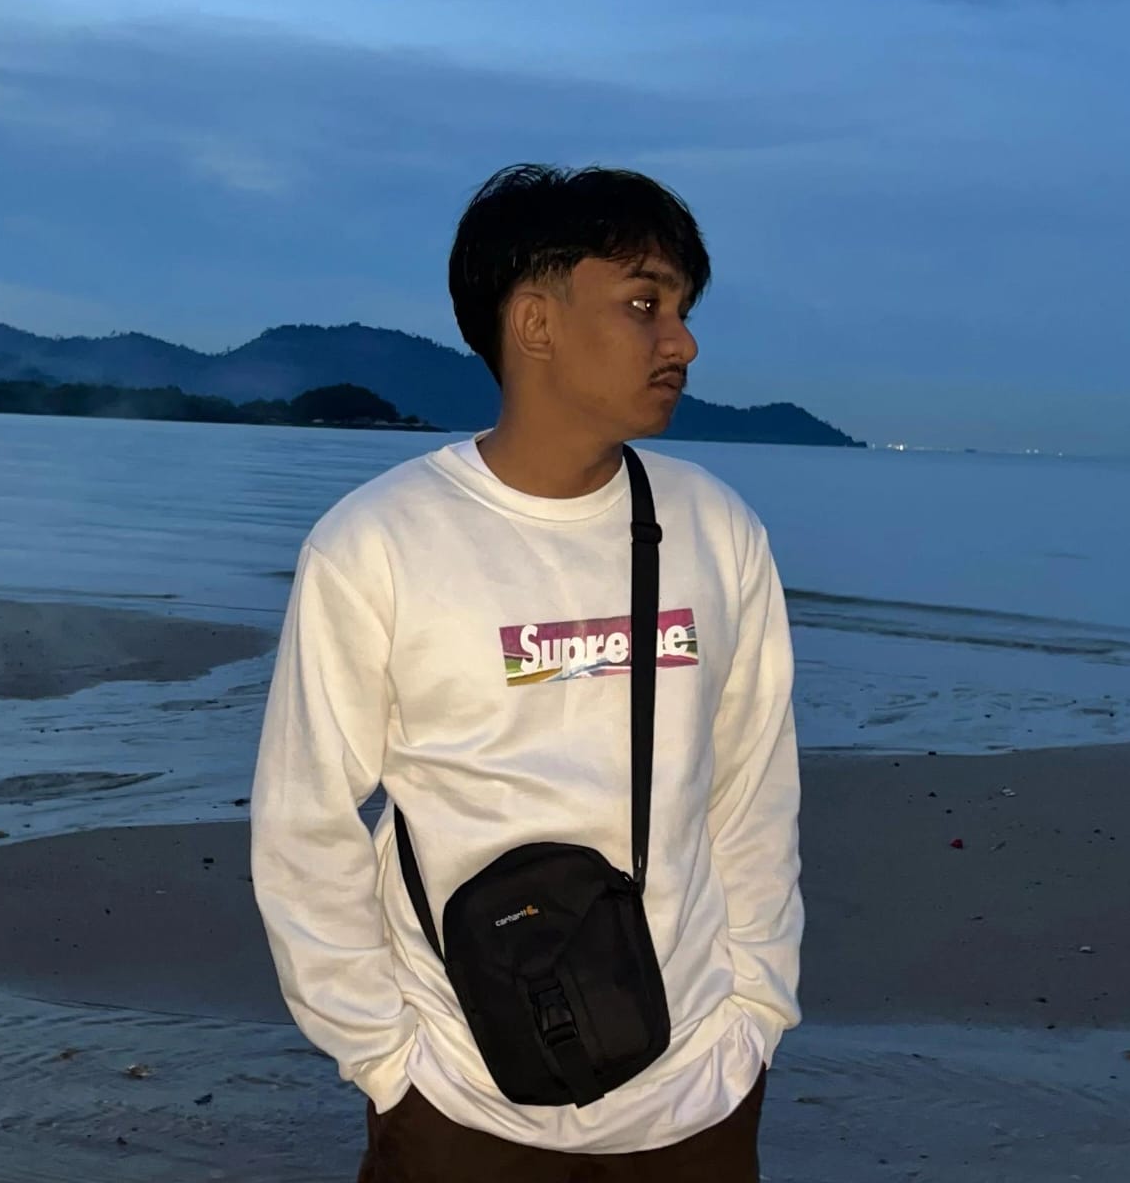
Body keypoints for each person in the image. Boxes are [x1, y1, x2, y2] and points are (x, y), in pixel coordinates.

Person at [250, 164, 802, 1180]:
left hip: (697, 1090)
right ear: (535, 322)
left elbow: (751, 791)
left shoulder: (717, 530)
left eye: (682, 310)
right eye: (644, 304)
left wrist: (755, 1013)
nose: (681, 342)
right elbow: (304, 822)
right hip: (461, 1097)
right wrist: (387, 1061)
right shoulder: (378, 543)